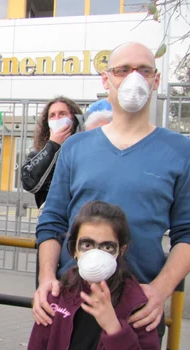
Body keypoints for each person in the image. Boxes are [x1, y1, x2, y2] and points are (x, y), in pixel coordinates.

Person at [32, 42, 190, 342]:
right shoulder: (75, 148)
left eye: (144, 70)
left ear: (156, 80)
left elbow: (187, 232)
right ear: (107, 80)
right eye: (122, 70)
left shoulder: (181, 151)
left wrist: (160, 290)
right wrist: (45, 280)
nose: (134, 78)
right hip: (71, 303)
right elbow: (51, 222)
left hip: (137, 310)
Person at [28, 201, 160, 349]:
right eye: (87, 245)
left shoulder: (138, 305)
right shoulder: (57, 295)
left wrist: (113, 327)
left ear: (121, 251)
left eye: (107, 247)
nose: (96, 254)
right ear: (74, 249)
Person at [21, 97, 83, 208]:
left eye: (62, 114)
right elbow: (30, 184)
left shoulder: (84, 149)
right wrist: (53, 145)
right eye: (52, 115)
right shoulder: (38, 154)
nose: (57, 119)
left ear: (74, 118)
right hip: (50, 218)